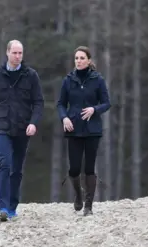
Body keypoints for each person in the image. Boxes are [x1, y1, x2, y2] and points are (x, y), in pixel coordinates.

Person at [0, 40, 44, 222]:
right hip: (2, 126)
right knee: (4, 163)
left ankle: (12, 206)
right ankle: (3, 207)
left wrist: (34, 123)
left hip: (23, 127)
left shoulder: (31, 76)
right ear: (7, 53)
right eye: (14, 53)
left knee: (17, 169)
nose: (18, 56)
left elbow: (38, 102)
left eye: (20, 53)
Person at [56, 46, 111, 216]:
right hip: (73, 128)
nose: (78, 61)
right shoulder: (68, 80)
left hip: (92, 129)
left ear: (89, 60)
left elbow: (107, 103)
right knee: (74, 168)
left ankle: (89, 205)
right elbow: (60, 104)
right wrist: (64, 118)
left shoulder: (98, 80)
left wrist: (94, 109)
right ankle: (78, 195)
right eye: (76, 58)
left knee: (89, 168)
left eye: (82, 58)